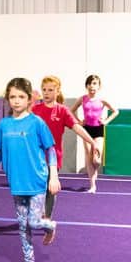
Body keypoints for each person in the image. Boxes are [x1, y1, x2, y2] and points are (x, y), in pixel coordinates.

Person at [0, 77, 60, 262]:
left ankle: (50, 225)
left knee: (33, 221)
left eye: (21, 97)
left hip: (37, 180)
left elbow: (50, 149)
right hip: (16, 182)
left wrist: (54, 177)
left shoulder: (36, 122)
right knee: (23, 225)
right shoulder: (4, 125)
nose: (16, 101)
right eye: (12, 96)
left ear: (29, 99)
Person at [32, 75, 100, 223]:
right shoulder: (35, 110)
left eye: (50, 90)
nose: (46, 93)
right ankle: (38, 211)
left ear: (57, 91)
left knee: (51, 188)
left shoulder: (62, 111)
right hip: (35, 156)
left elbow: (77, 128)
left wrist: (92, 143)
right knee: (37, 187)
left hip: (53, 157)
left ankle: (47, 216)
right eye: (44, 90)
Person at [70, 74, 119, 193]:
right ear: (86, 86)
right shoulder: (82, 99)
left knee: (96, 160)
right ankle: (92, 186)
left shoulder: (102, 100)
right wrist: (79, 121)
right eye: (89, 84)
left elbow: (115, 111)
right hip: (86, 129)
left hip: (98, 129)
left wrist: (106, 121)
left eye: (94, 84)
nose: (92, 86)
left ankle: (95, 169)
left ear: (99, 86)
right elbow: (71, 111)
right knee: (88, 155)